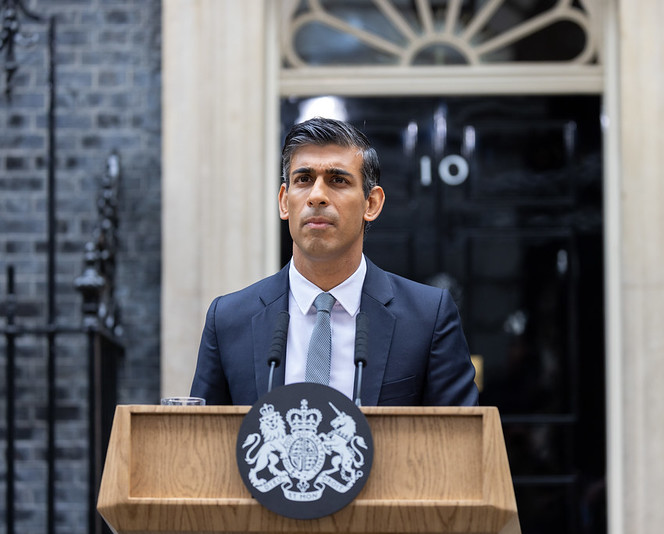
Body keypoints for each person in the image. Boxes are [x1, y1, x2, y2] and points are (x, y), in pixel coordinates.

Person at [190, 117, 478, 406]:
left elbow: (459, 442)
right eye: (303, 179)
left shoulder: (428, 318)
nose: (317, 196)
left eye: (337, 180)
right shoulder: (228, 319)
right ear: (283, 201)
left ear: (371, 204)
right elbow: (200, 444)